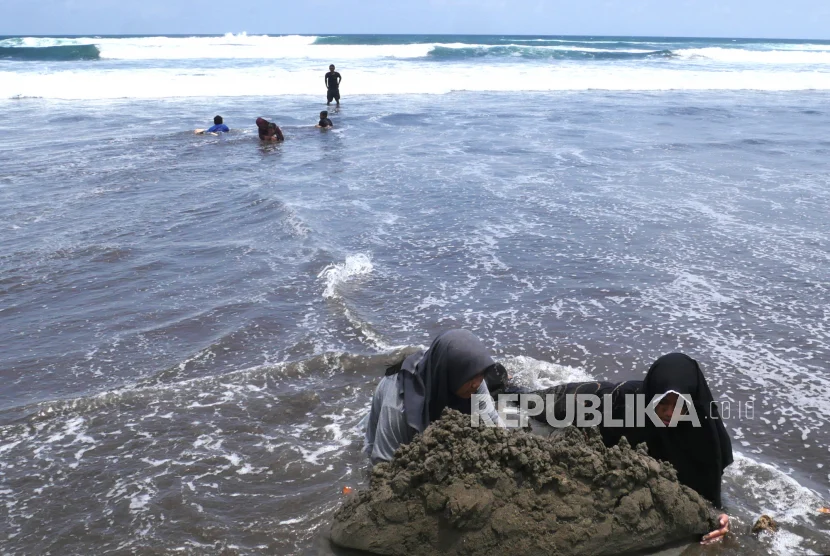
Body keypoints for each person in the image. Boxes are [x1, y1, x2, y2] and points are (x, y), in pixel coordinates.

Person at [526, 353, 733, 544]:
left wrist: (719, 515)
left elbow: (709, 479)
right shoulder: (624, 405)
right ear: (652, 396)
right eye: (663, 403)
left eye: (680, 405)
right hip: (592, 402)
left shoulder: (704, 428)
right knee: (520, 401)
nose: (670, 412)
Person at [363, 329, 506, 464]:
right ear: (447, 374)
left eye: (481, 374)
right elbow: (382, 463)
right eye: (471, 377)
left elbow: (493, 424)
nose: (476, 383)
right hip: (383, 437)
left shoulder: (474, 382)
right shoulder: (396, 407)